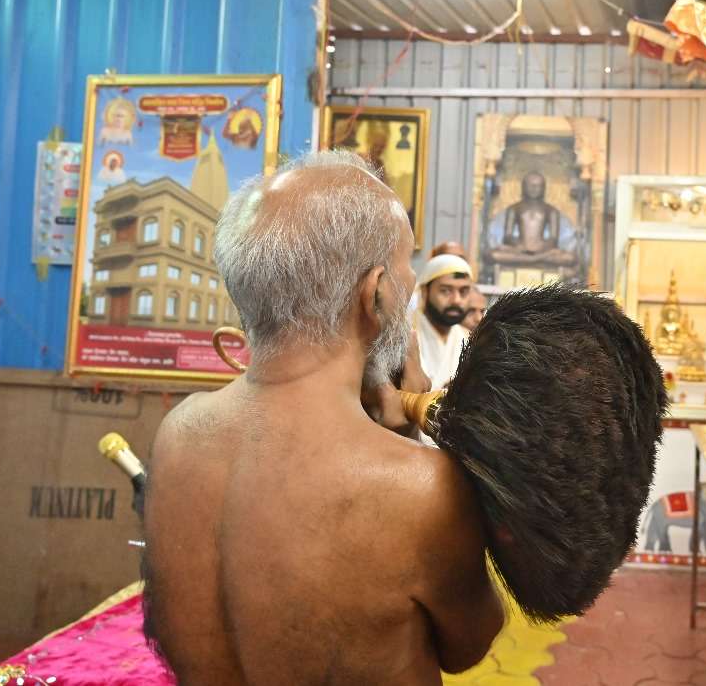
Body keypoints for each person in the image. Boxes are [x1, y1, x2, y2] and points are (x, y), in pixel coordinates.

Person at [141, 150, 503, 683]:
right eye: (406, 267)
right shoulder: (420, 487)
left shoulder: (179, 433)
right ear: (375, 294)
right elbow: (468, 645)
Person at [413, 253, 473, 390]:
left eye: (463, 291)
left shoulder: (469, 339)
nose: (456, 300)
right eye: (445, 291)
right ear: (424, 291)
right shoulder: (404, 334)